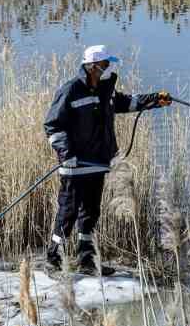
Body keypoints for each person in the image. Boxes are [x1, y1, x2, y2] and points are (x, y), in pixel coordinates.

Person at [43, 44, 170, 275]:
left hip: (97, 163)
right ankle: (53, 259)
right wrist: (66, 154)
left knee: (90, 213)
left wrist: (154, 99)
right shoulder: (70, 90)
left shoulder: (105, 91)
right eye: (105, 64)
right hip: (74, 166)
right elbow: (53, 125)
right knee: (68, 212)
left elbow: (126, 103)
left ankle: (87, 261)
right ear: (92, 67)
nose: (108, 68)